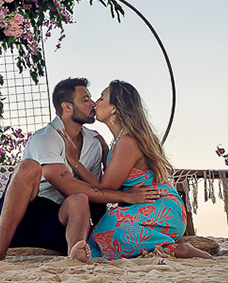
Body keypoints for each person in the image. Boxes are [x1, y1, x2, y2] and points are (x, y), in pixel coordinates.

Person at [0, 77, 156, 264]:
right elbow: (68, 186)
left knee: (80, 198)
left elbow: (98, 188)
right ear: (67, 107)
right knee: (28, 167)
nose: (93, 104)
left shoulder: (94, 142)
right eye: (85, 100)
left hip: (58, 226)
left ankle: (76, 256)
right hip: (23, 221)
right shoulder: (46, 138)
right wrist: (124, 196)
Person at [82, 80, 211, 261]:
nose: (96, 102)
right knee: (107, 225)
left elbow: (106, 187)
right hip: (143, 207)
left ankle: (174, 249)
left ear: (114, 109)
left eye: (102, 98)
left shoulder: (129, 141)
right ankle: (167, 247)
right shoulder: (119, 141)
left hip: (161, 207)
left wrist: (74, 163)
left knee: (111, 224)